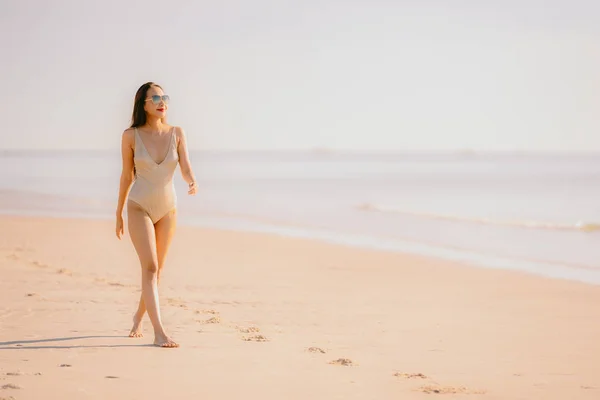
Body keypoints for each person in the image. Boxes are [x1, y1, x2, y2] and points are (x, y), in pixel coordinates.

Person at [115, 82, 198, 348]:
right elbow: (127, 175)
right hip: (139, 205)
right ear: (144, 104)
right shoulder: (131, 135)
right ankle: (159, 332)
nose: (162, 102)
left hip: (168, 209)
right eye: (156, 98)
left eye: (164, 97)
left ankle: (138, 316)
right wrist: (118, 212)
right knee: (149, 267)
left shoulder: (177, 133)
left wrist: (191, 181)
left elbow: (185, 165)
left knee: (157, 271)